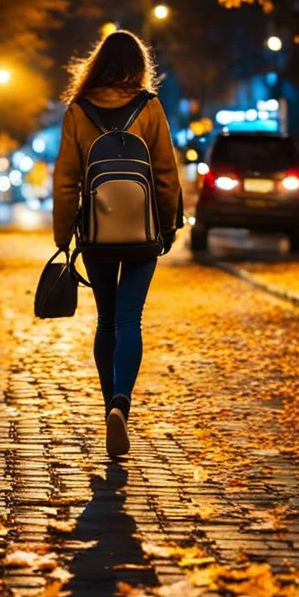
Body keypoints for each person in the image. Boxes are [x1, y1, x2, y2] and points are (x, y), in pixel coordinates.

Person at [53, 29, 183, 458]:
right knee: (131, 318)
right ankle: (121, 405)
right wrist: (168, 226)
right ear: (139, 66)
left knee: (106, 320)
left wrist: (62, 234)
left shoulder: (78, 110)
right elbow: (165, 173)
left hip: (96, 233)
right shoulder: (150, 107)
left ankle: (108, 404)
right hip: (143, 232)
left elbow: (66, 177)